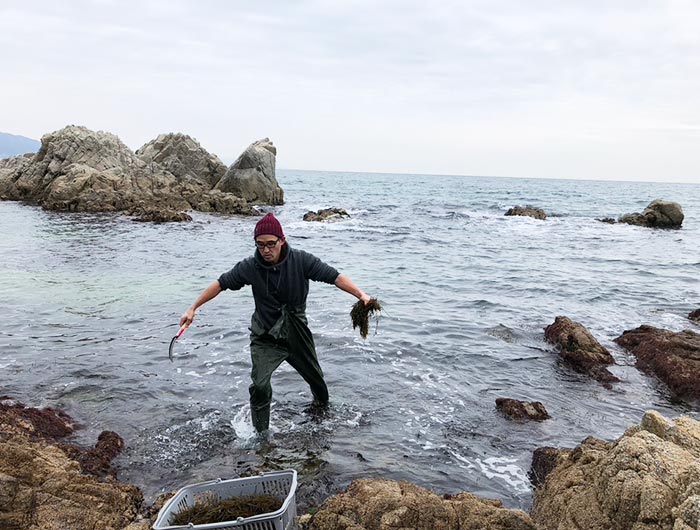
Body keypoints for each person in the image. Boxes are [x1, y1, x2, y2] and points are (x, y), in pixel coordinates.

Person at [179, 212, 371, 433]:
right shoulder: (249, 267)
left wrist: (361, 296)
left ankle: (321, 413)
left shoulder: (302, 260)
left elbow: (334, 276)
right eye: (260, 245)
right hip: (265, 335)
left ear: (282, 240)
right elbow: (221, 283)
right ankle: (261, 438)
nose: (266, 250)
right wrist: (193, 308)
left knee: (317, 381)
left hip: (297, 332)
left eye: (271, 244)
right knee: (260, 386)